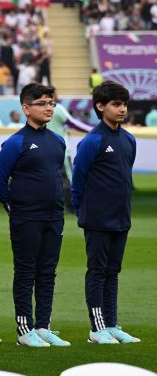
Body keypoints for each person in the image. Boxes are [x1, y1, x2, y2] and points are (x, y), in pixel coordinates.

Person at [0, 83, 70, 348]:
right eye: (42, 103)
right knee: (26, 272)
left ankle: (43, 326)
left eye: (51, 103)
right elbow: (0, 181)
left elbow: (56, 176)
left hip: (54, 217)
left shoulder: (58, 141)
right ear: (26, 108)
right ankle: (24, 330)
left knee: (48, 272)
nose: (49, 108)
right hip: (26, 218)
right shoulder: (16, 142)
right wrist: (15, 207)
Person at [71, 81, 140, 344]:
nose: (122, 109)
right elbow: (78, 178)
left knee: (113, 272)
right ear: (100, 106)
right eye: (116, 104)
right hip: (98, 219)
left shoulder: (129, 139)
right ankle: (97, 329)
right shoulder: (93, 141)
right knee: (98, 271)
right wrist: (82, 208)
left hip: (121, 217)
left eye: (124, 104)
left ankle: (112, 324)